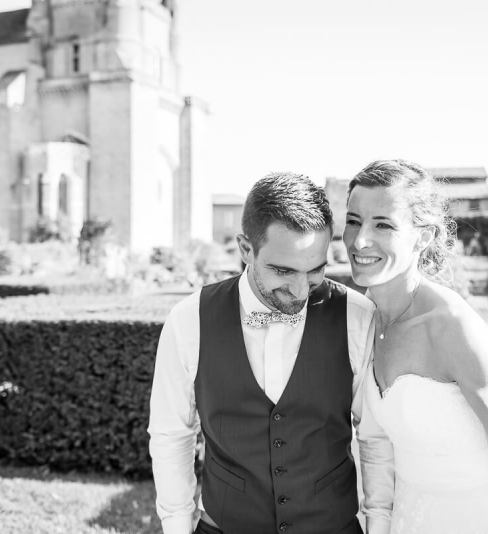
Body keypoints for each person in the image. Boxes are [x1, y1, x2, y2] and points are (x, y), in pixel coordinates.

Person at [148, 172, 394, 534]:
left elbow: (375, 439)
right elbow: (172, 436)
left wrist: (379, 527)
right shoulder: (188, 321)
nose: (299, 290)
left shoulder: (356, 317)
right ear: (246, 249)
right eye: (283, 270)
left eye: (315, 270)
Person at [343, 159, 488, 534]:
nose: (359, 240)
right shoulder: (365, 320)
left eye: (383, 224)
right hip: (407, 519)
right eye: (353, 220)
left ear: (424, 237)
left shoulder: (451, 326)